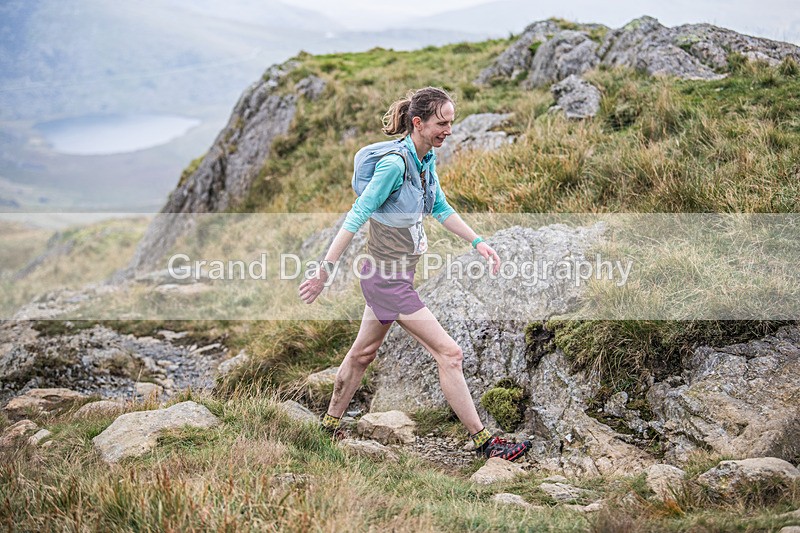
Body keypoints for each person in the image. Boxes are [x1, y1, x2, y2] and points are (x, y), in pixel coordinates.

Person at [298, 86, 530, 461]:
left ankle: (327, 427)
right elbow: (356, 215)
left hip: (395, 275)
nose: (449, 130)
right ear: (418, 123)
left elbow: (439, 206)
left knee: (362, 354)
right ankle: (484, 442)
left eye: (452, 122)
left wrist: (478, 242)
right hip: (386, 280)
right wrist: (324, 270)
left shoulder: (425, 160)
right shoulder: (395, 164)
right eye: (442, 123)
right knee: (450, 353)